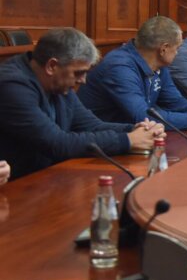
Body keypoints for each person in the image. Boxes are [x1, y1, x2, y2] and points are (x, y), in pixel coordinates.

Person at [0, 28, 160, 180]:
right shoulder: (12, 86)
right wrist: (127, 140)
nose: (83, 80)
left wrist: (136, 129)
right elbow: (57, 143)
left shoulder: (58, 81)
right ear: (52, 66)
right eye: (79, 73)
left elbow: (91, 125)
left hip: (50, 178)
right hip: (18, 185)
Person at [79, 16, 187, 130]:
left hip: (134, 135)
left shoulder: (160, 64)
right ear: (163, 49)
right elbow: (143, 117)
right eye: (177, 48)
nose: (178, 53)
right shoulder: (119, 67)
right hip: (100, 140)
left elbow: (175, 102)